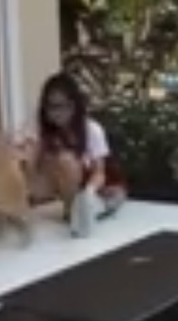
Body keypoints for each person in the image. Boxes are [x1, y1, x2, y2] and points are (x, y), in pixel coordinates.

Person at [27, 71, 126, 229]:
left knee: (65, 160)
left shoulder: (91, 129)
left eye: (61, 106)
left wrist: (89, 193)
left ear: (74, 105)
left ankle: (78, 211)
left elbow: (99, 172)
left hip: (103, 190)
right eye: (50, 106)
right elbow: (37, 168)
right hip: (71, 189)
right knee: (39, 157)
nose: (56, 113)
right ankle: (71, 209)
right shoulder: (45, 133)